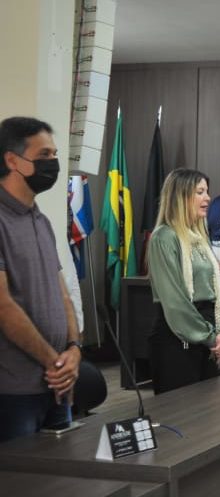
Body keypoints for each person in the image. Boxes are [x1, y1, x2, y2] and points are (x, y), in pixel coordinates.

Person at [0, 117, 81, 442]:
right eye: (44, 154)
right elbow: (3, 306)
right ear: (12, 160)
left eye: (55, 154)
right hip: (14, 391)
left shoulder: (41, 220)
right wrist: (56, 363)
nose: (53, 163)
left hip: (57, 385)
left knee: (62, 470)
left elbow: (63, 295)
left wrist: (74, 349)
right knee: (20, 473)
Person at [148, 168, 220, 395]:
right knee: (182, 410)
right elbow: (175, 302)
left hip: (207, 335)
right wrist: (211, 338)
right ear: (180, 196)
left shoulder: (200, 238)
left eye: (207, 191)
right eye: (200, 192)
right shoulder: (164, 237)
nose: (208, 198)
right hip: (178, 337)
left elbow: (215, 292)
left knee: (209, 410)